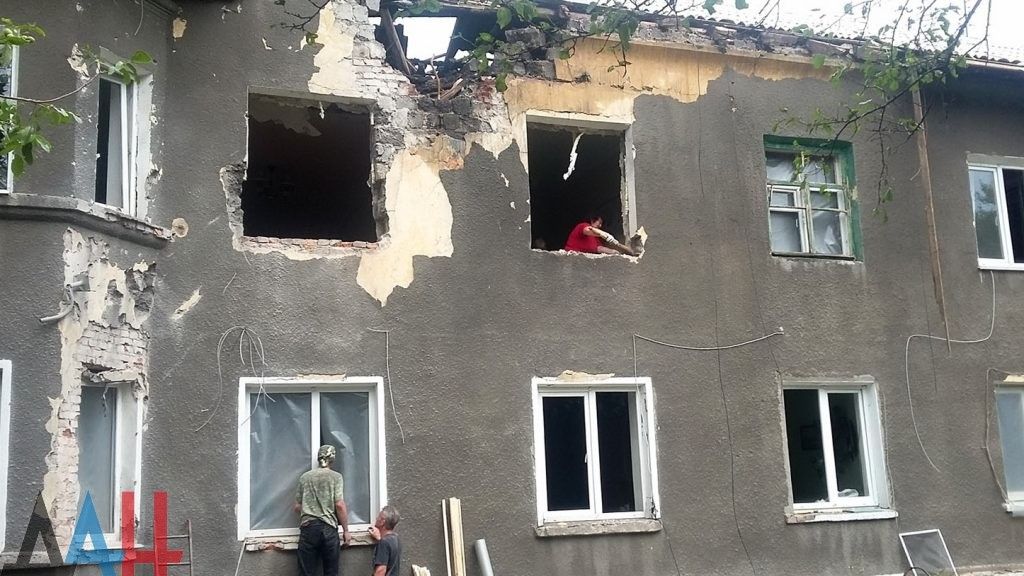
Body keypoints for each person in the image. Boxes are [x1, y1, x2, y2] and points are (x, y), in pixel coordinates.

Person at [295, 445, 351, 576]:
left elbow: (297, 507)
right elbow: (339, 505)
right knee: (331, 572)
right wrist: (346, 531)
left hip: (308, 528)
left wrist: (310, 510)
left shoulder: (305, 477)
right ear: (332, 458)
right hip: (329, 529)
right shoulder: (336, 477)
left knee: (306, 573)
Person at [563, 215, 636, 256]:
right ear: (592, 221)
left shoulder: (595, 238)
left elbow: (599, 248)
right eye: (600, 222)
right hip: (570, 258)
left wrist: (614, 252)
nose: (600, 226)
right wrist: (603, 234)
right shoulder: (583, 226)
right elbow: (588, 230)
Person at [368, 505, 401, 576]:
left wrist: (381, 541)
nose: (376, 518)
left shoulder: (384, 543)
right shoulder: (395, 538)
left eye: (378, 517)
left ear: (382, 522)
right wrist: (379, 539)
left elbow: (380, 571)